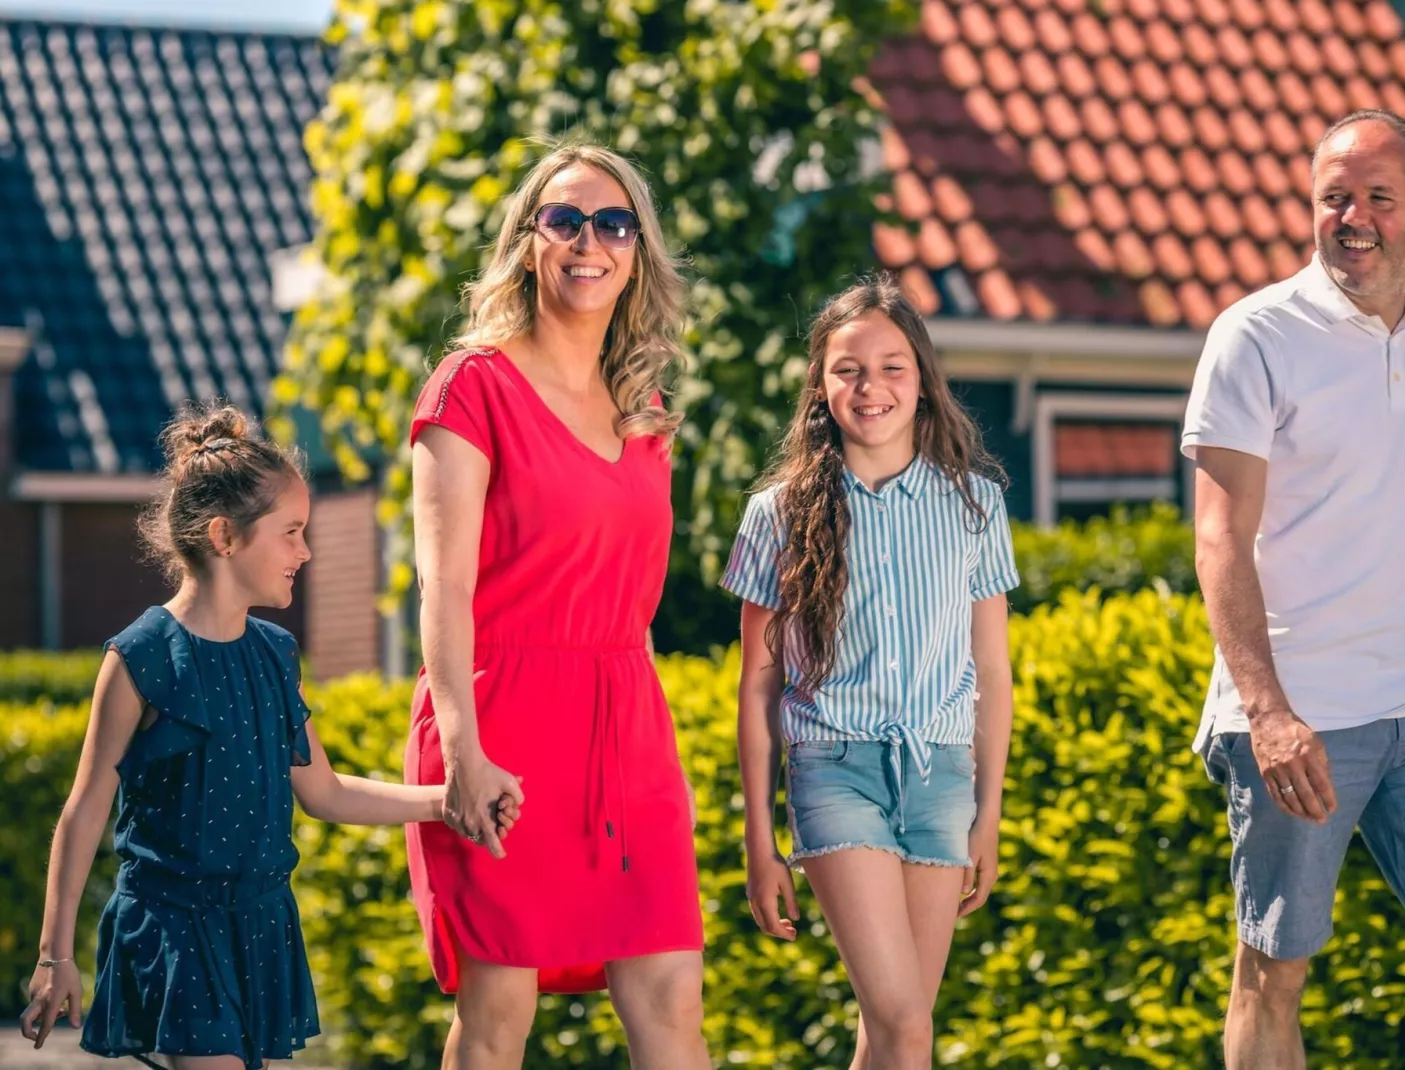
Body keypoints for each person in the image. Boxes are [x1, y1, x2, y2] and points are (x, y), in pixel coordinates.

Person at [1183, 109, 1405, 1069]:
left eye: (1378, 196)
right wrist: (1267, 712)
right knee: (1275, 970)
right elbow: (1219, 535)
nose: (1353, 217)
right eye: (1333, 197)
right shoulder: (1254, 334)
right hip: (1302, 713)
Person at [18, 402, 473, 1070]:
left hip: (260, 926)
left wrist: (446, 801)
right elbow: (84, 811)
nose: (306, 551)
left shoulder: (274, 655)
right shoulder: (140, 658)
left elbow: (324, 791)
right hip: (174, 926)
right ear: (225, 537)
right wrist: (55, 956)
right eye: (290, 532)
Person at [404, 139, 707, 1070]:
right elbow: (442, 586)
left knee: (668, 991)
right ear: (528, 241)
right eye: (564, 219)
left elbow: (635, 598)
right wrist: (462, 749)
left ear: (638, 253)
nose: (590, 241)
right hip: (503, 720)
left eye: (613, 223)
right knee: (500, 1012)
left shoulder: (642, 408)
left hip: (627, 726)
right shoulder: (472, 386)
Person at [722, 274, 1018, 1070]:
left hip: (941, 779)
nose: (871, 386)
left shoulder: (976, 506)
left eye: (892, 367)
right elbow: (756, 685)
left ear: (922, 382)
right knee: (903, 1026)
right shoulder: (776, 516)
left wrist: (986, 815)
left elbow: (991, 669)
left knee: (892, 1032)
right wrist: (760, 838)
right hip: (834, 774)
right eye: (848, 368)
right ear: (821, 385)